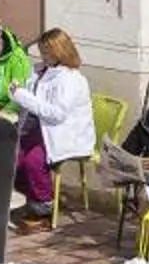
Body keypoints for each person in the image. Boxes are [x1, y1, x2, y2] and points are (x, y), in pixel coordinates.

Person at [7, 28, 97, 230]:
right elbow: (31, 100)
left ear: (60, 52)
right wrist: (17, 92)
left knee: (33, 161)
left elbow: (57, 114)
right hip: (39, 129)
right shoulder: (41, 71)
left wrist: (23, 96)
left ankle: (43, 207)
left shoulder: (71, 80)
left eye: (47, 52)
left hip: (65, 134)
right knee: (13, 158)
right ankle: (33, 197)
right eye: (42, 52)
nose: (43, 56)